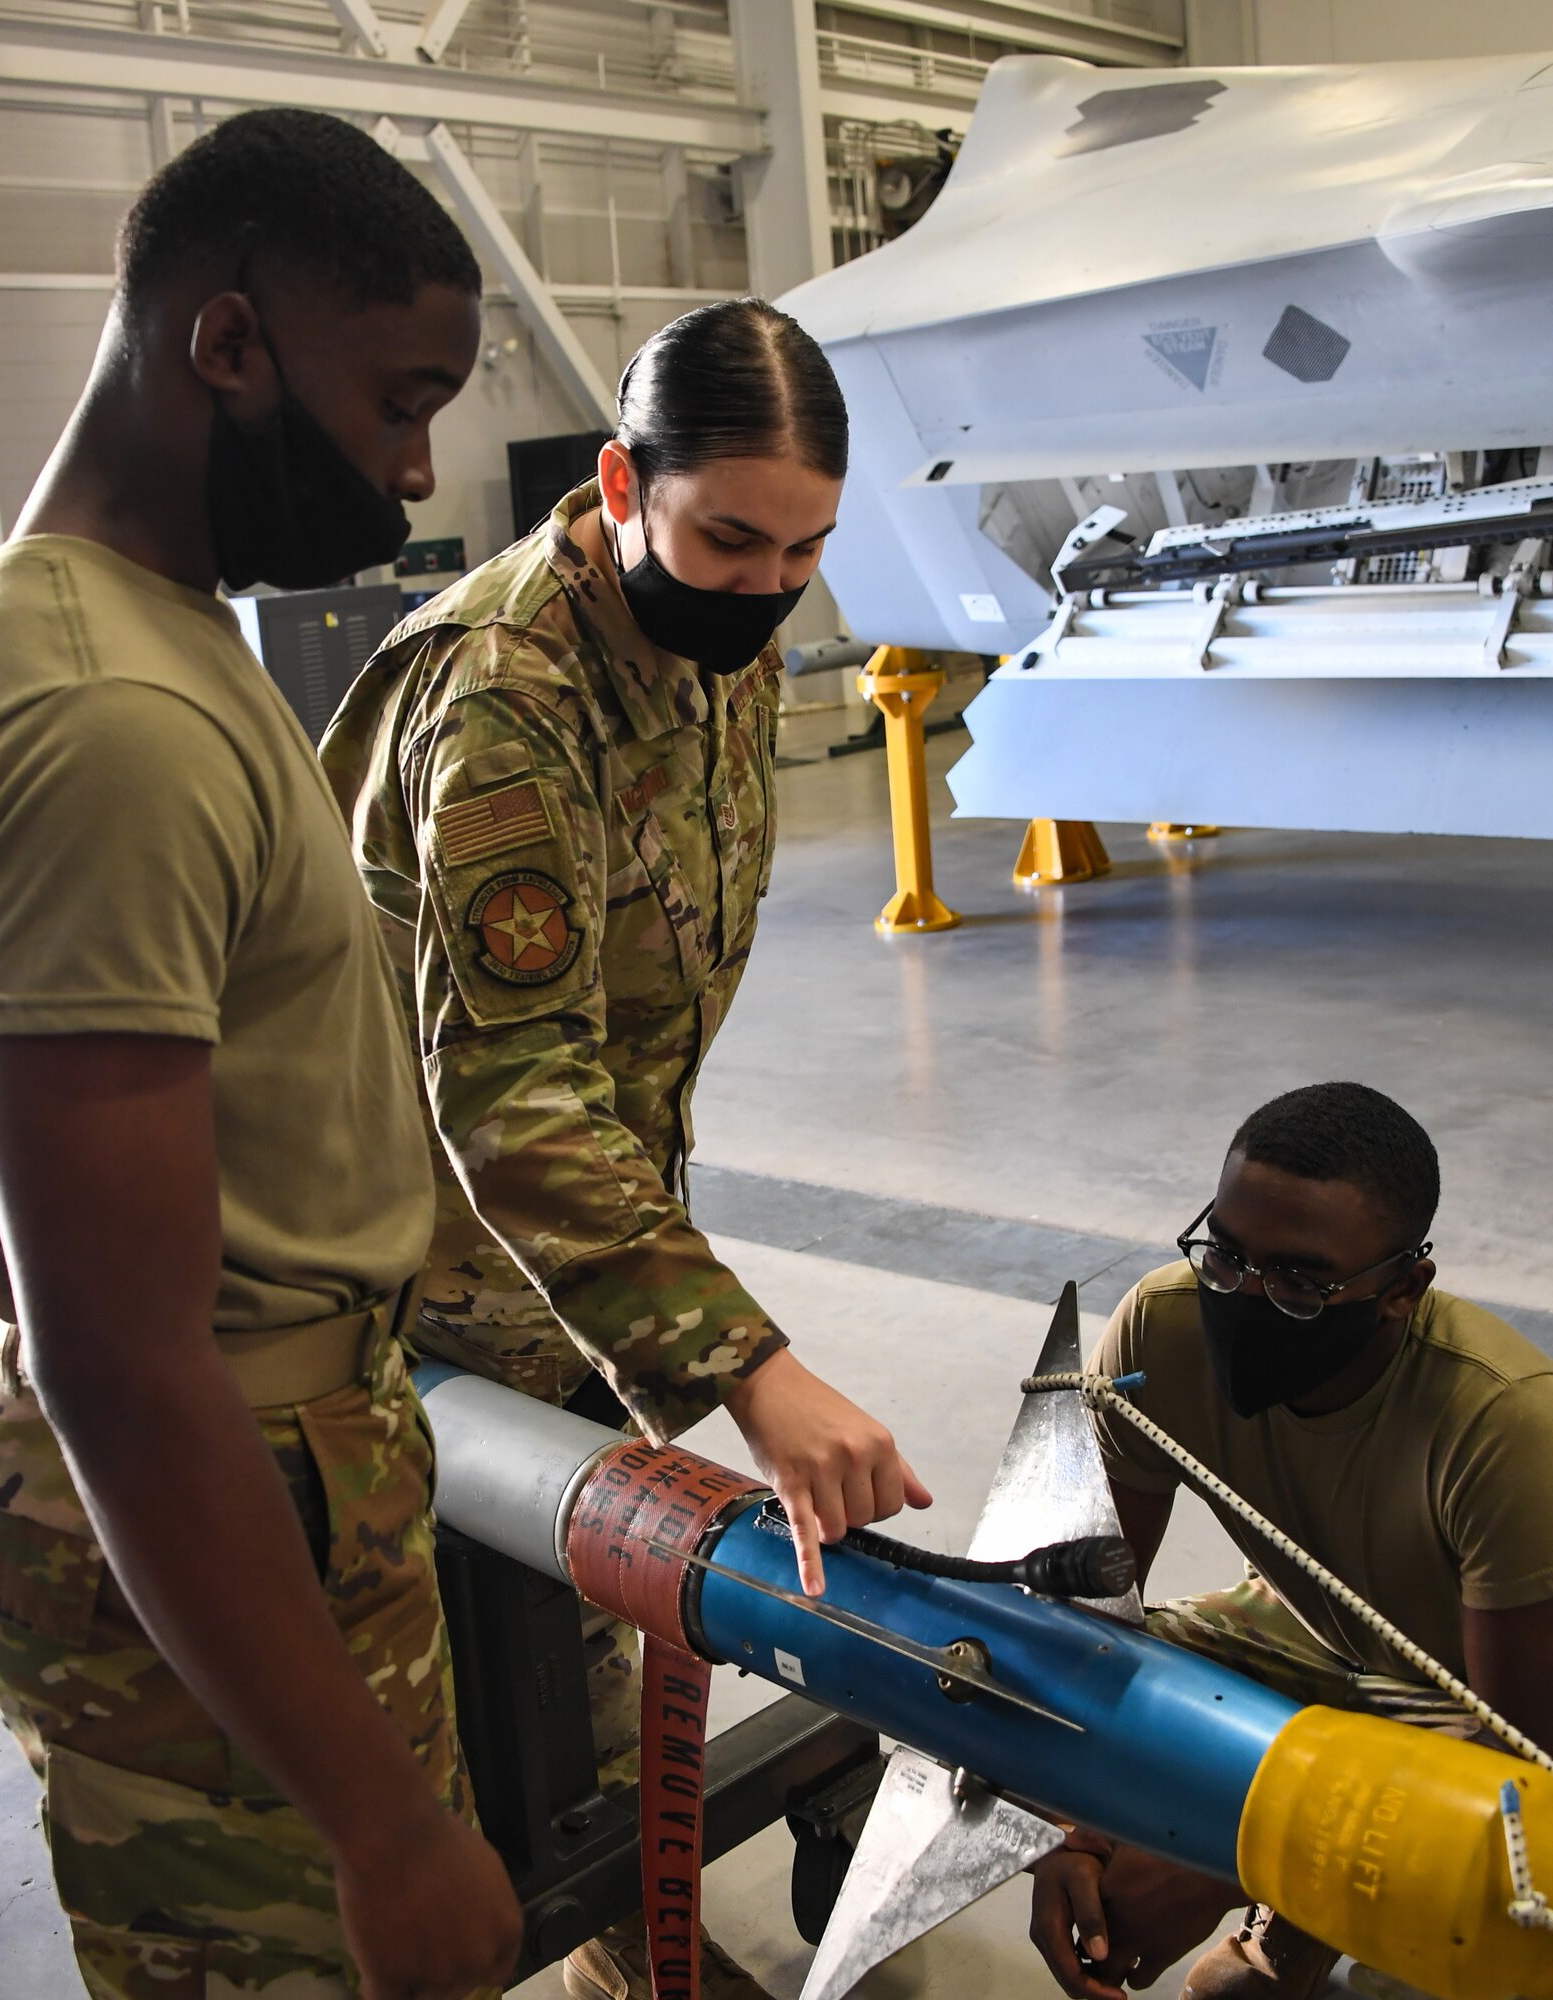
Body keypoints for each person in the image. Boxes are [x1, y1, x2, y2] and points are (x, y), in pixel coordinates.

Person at [0, 109, 524, 2000]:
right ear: (227, 347)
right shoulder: (109, 716)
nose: (417, 469)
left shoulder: (104, 625)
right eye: (400, 405)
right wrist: (385, 1831)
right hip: (219, 1485)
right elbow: (119, 1350)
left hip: (258, 1466)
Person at [321, 298, 932, 2000]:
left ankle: (613, 1931)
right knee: (403, 1741)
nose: (765, 585)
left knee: (579, 1670)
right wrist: (747, 1365)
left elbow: (612, 1053)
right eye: (729, 537)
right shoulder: (509, 692)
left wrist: (649, 1311)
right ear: (618, 483)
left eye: (804, 549)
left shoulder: (706, 652)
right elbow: (505, 1093)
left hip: (562, 1270)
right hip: (382, 1279)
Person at [1028, 1082, 1553, 2000]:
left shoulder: (1505, 1428)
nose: (1246, 1297)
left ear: (1402, 1289)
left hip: (1492, 1703)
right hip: (1317, 1633)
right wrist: (1075, 1827)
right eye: (1226, 1256)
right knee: (1011, 1676)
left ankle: (1307, 1916)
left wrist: (1231, 1858)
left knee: (1501, 1917)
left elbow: (1519, 1773)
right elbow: (1082, 1628)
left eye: (1304, 1281)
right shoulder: (1165, 1326)